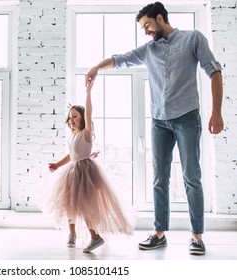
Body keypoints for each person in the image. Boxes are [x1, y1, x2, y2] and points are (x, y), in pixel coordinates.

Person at [85, 2, 223, 256]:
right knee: (160, 178)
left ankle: (197, 236)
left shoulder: (193, 38)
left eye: (147, 25)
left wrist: (216, 112)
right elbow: (120, 59)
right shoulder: (149, 50)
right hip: (159, 121)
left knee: (192, 177)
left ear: (160, 18)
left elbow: (214, 72)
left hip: (187, 118)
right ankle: (159, 234)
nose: (146, 31)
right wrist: (96, 67)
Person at [47, 79, 134, 253]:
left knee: (83, 205)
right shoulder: (72, 136)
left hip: (84, 172)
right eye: (70, 117)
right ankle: (72, 234)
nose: (71, 120)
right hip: (72, 171)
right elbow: (72, 155)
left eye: (75, 117)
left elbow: (89, 113)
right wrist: (58, 164)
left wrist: (88, 92)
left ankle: (95, 237)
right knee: (68, 203)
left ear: (83, 119)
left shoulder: (86, 133)